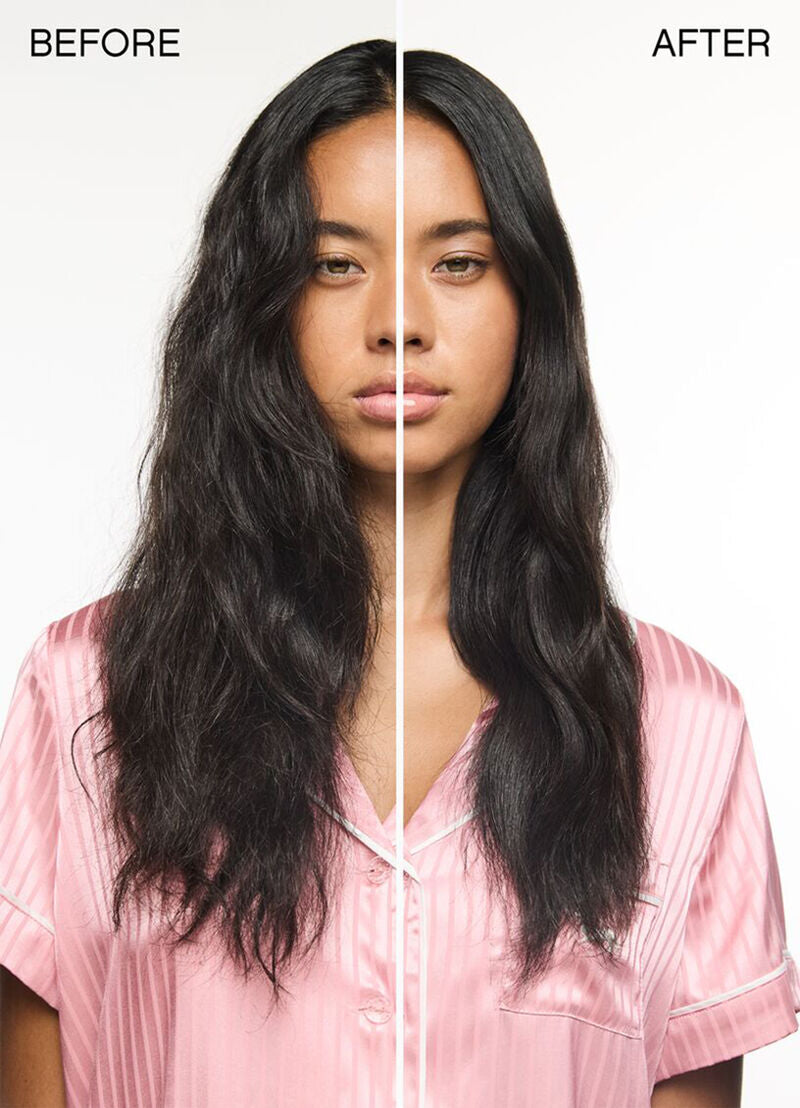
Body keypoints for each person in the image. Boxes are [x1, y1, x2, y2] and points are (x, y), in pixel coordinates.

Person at [0, 38, 797, 1108]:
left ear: (530, 301)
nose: (398, 324)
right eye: (335, 264)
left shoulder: (678, 725)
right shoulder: (84, 687)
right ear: (262, 305)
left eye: (457, 261)